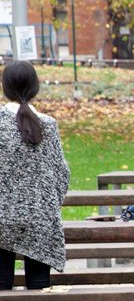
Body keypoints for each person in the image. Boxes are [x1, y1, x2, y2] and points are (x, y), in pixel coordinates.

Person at [0, 61, 69, 290]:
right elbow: (61, 174)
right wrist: (46, 207)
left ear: (4, 87)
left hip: (1, 218)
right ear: (35, 87)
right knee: (39, 288)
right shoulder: (48, 125)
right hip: (40, 219)